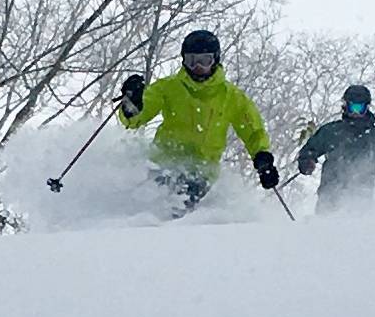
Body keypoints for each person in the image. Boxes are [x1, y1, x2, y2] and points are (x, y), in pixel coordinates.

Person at [118, 29, 279, 217]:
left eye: (205, 60)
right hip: (163, 165)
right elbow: (136, 119)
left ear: (215, 60)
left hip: (202, 173)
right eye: (192, 60)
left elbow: (253, 131)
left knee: (178, 212)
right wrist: (132, 106)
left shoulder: (231, 97)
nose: (198, 67)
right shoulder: (168, 87)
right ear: (183, 60)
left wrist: (262, 158)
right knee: (153, 212)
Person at [297, 84, 375, 214]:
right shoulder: (331, 132)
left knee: (357, 228)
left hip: (361, 197)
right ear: (345, 106)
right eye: (353, 107)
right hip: (330, 196)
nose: (356, 113)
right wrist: (307, 162)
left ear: (367, 108)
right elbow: (310, 150)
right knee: (327, 228)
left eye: (360, 108)